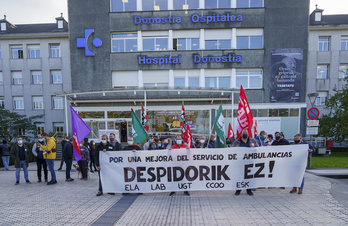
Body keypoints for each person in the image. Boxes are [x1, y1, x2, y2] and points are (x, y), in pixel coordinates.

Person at [232, 129, 259, 196]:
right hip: (240, 162)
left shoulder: (253, 141)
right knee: (239, 176)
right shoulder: (236, 142)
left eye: (246, 132)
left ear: (248, 133)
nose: (245, 134)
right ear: (241, 134)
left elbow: (257, 149)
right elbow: (232, 151)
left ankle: (249, 190)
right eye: (243, 133)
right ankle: (238, 190)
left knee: (249, 176)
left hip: (249, 161)